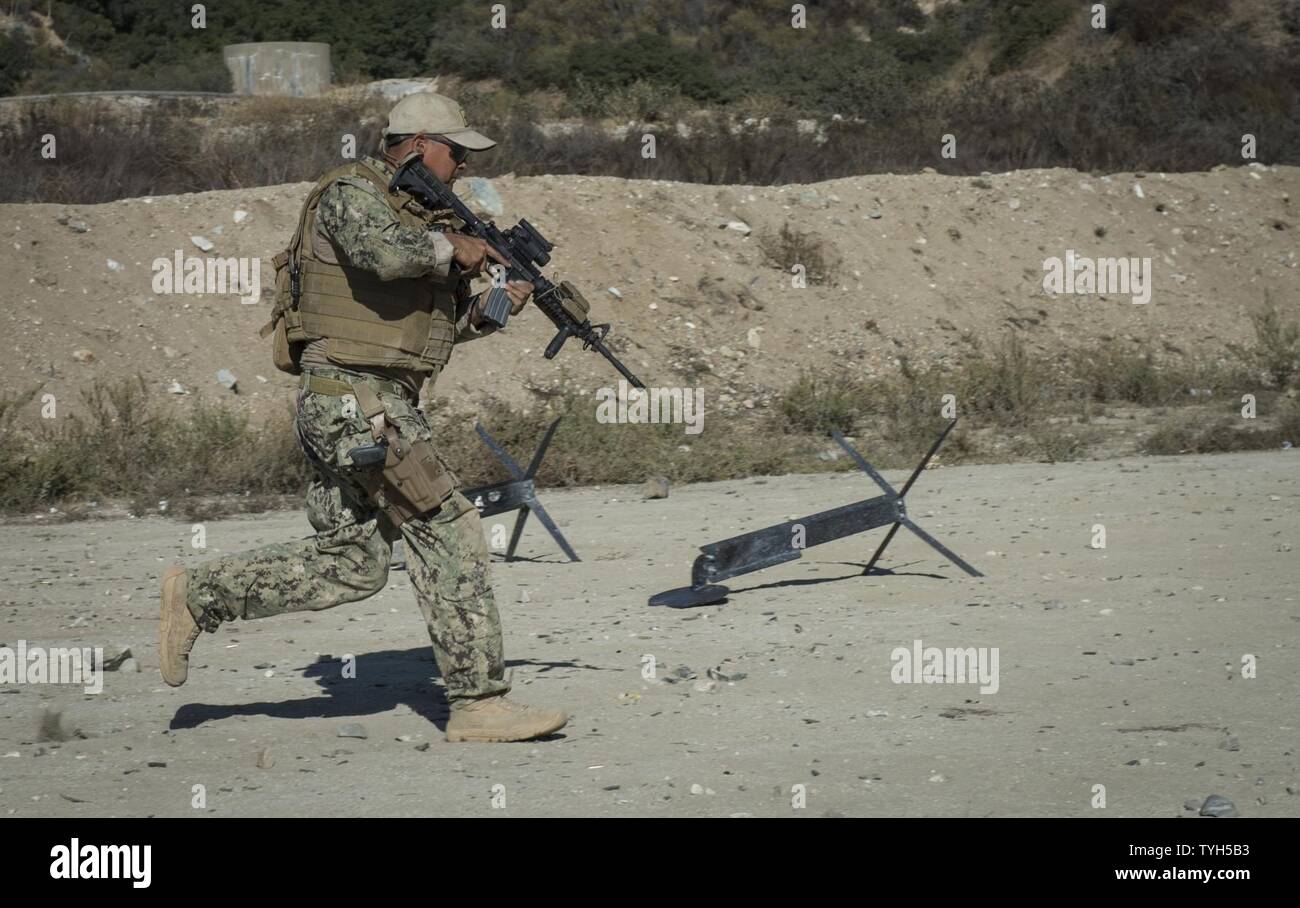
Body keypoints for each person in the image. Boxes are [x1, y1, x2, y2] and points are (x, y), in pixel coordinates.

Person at [158, 92, 568, 743]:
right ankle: (479, 704)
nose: (461, 166)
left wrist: (497, 302)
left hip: (367, 399)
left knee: (355, 562)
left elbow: (427, 332)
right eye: (455, 152)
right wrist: (454, 246)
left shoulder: (419, 221)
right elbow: (385, 253)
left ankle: (199, 596)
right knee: (450, 527)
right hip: (355, 401)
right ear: (418, 142)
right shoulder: (353, 193)